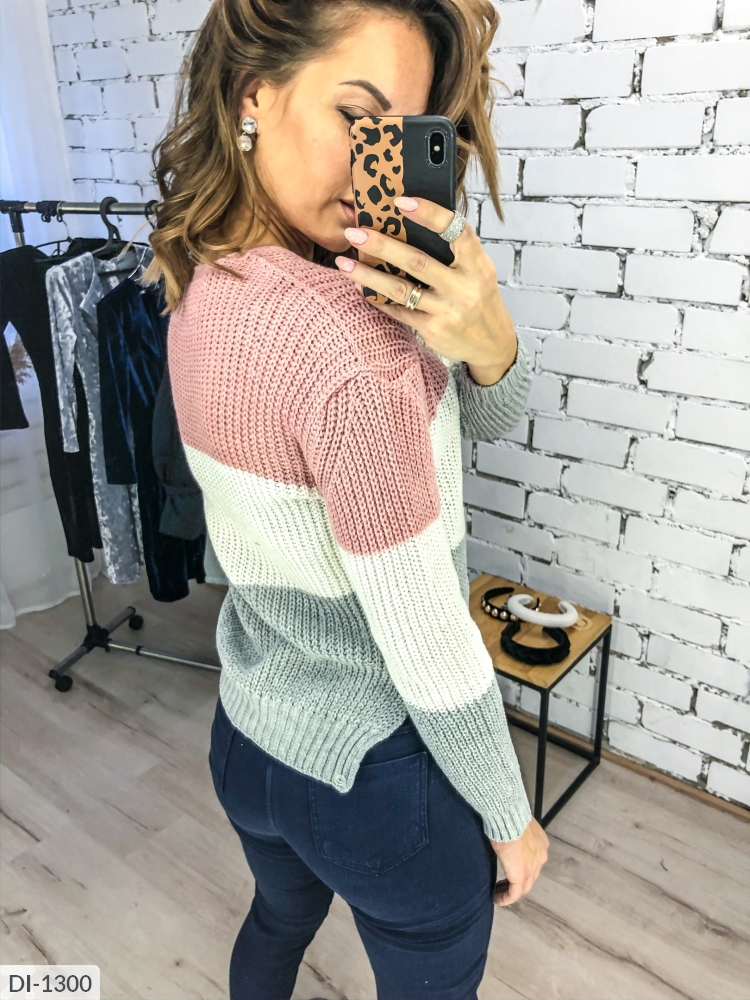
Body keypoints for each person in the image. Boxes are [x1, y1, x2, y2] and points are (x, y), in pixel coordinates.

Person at [145, 1, 549, 997]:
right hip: (379, 778)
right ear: (256, 93)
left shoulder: (199, 274)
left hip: (249, 738)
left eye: (403, 136)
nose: (381, 167)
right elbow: (423, 633)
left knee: (276, 923)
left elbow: (480, 422)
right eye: (357, 117)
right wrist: (510, 813)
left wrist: (487, 345)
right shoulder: (356, 347)